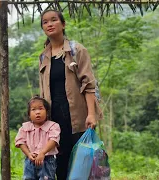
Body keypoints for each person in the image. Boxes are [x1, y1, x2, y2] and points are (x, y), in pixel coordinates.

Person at [39, 9, 103, 180]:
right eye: (45, 22)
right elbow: (43, 91)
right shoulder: (43, 56)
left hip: (78, 116)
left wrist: (91, 114)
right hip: (54, 119)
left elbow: (88, 84)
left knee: (81, 165)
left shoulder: (77, 50)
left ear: (63, 24)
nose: (49, 24)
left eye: (53, 20)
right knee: (59, 163)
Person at [15, 95, 61, 180]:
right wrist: (28, 154)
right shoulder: (24, 127)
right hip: (30, 160)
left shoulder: (53, 126)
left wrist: (42, 153)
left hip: (47, 161)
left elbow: (54, 140)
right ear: (29, 114)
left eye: (40, 108)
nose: (37, 112)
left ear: (47, 112)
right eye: (33, 109)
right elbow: (20, 142)